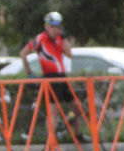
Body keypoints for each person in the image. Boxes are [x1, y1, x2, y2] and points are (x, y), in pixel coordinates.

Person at [19, 10, 85, 143]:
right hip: (50, 78)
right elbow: (23, 53)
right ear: (46, 27)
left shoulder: (60, 39)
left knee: (78, 108)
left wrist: (64, 37)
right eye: (52, 26)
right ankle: (52, 143)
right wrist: (29, 72)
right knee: (53, 112)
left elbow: (70, 54)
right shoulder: (40, 39)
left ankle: (77, 135)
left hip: (62, 77)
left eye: (58, 27)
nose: (55, 30)